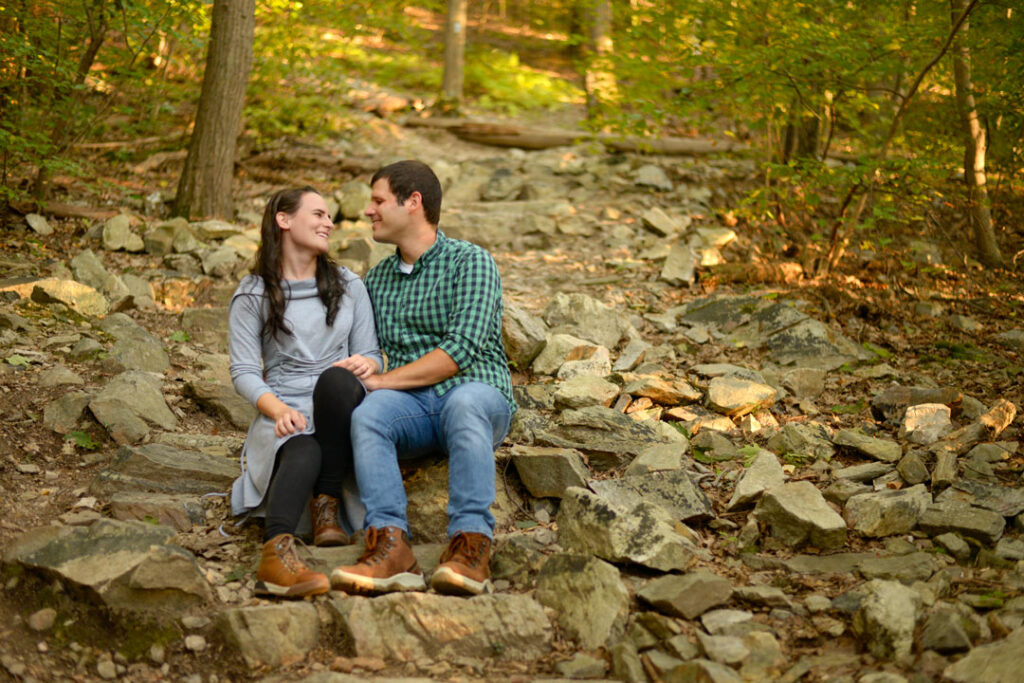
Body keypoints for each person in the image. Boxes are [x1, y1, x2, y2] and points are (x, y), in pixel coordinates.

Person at [330, 160, 516, 597]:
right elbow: (366, 350)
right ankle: (391, 545)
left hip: (477, 393)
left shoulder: (471, 262)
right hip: (413, 406)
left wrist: (383, 380)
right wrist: (372, 368)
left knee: (462, 402)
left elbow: (458, 353)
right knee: (371, 414)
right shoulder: (377, 281)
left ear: (412, 202)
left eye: (377, 201)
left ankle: (471, 544)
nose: (368, 211)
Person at [229, 186, 382, 598]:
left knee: (335, 381)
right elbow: (244, 370)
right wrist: (276, 410)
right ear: (284, 219)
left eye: (329, 216)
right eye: (317, 214)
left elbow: (369, 353)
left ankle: (328, 506)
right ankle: (276, 555)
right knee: (303, 448)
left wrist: (369, 364)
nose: (328, 223)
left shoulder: (348, 284)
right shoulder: (253, 293)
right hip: (285, 402)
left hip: (340, 403)